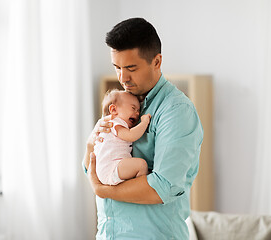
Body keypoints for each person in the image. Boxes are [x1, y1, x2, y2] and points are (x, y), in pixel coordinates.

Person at [83, 17, 203, 239]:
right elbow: (92, 166)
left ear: (156, 61)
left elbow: (162, 187)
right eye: (117, 67)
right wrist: (91, 144)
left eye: (131, 68)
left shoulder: (176, 111)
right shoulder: (118, 104)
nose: (122, 78)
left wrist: (103, 190)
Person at [94, 89, 151, 185]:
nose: (137, 113)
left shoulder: (108, 125)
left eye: (138, 111)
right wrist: (144, 122)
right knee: (141, 165)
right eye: (133, 108)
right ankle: (139, 187)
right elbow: (131, 135)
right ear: (114, 110)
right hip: (111, 168)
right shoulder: (115, 124)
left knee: (138, 166)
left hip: (109, 168)